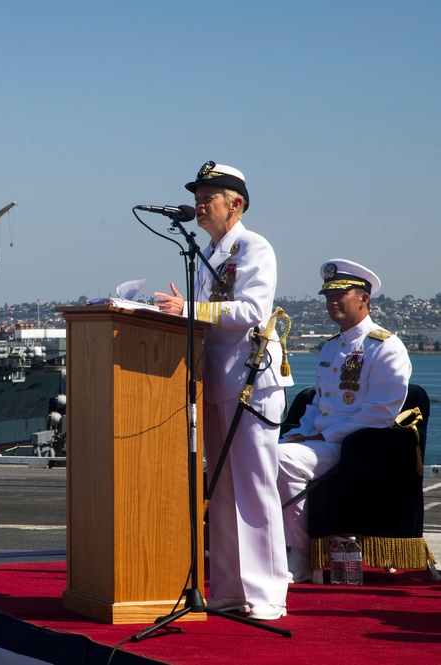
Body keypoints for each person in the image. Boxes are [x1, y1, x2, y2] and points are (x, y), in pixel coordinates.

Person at [154, 161, 293, 621]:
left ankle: (268, 594)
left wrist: (190, 307)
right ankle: (232, 590)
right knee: (224, 491)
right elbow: (207, 316)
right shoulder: (208, 254)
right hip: (214, 381)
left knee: (254, 488)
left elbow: (253, 309)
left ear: (236, 204)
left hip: (251, 381)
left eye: (208, 194)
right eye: (198, 193)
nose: (199, 202)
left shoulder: (255, 247)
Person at [278, 259, 411, 583]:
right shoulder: (330, 349)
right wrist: (299, 433)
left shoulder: (386, 347)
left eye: (341, 295)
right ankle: (264, 548)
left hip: (353, 446)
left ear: (364, 298)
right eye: (328, 296)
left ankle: (302, 555)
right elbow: (318, 406)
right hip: (319, 443)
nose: (332, 302)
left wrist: (323, 438)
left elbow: (380, 413)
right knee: (259, 451)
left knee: (281, 460)